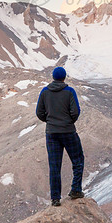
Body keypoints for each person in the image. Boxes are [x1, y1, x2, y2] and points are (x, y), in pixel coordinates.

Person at [35, 66, 85, 206]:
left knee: (54, 166)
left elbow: (39, 112)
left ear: (53, 77)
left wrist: (50, 122)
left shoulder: (45, 92)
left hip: (52, 134)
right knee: (78, 160)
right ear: (64, 77)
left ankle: (55, 198)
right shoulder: (69, 91)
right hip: (68, 132)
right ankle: (75, 190)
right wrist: (68, 122)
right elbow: (75, 111)